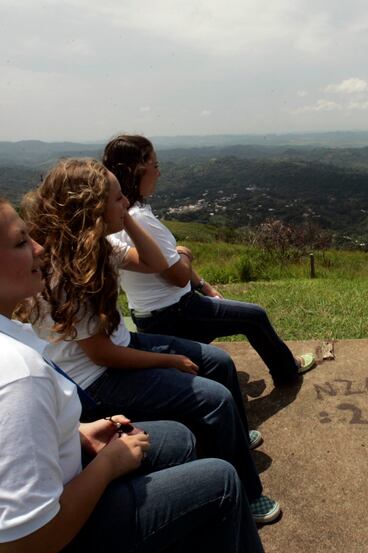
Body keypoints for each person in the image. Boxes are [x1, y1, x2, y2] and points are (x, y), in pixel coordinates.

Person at [0, 190, 263, 552]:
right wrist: (107, 465)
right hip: (29, 540)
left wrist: (77, 433)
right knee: (221, 482)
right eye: (20, 243)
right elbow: (26, 542)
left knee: (177, 439)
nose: (37, 249)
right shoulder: (7, 376)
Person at [19, 158, 280, 524]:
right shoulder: (66, 273)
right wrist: (168, 361)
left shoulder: (100, 246)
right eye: (116, 199)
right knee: (215, 399)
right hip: (98, 378)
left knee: (218, 363)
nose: (126, 203)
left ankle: (231, 438)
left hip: (123, 346)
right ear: (92, 210)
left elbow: (155, 262)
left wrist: (125, 220)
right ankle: (249, 498)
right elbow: (103, 354)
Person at [102, 134, 316, 387]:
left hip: (148, 315)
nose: (158, 173)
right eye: (155, 165)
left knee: (225, 317)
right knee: (254, 317)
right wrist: (184, 253)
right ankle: (287, 371)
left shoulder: (115, 219)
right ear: (137, 169)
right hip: (177, 312)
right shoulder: (140, 220)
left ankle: (199, 366)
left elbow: (166, 266)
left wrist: (204, 285)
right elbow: (178, 275)